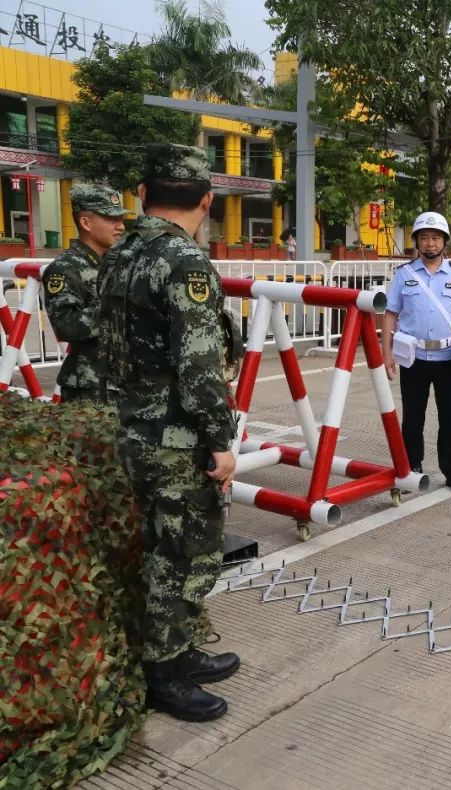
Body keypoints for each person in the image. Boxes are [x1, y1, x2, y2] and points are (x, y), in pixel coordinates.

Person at [97, 143, 238, 721]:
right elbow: (200, 366)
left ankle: (177, 654)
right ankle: (166, 674)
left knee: (158, 543)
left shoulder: (119, 252)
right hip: (175, 437)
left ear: (143, 195)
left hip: (129, 425)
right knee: (182, 552)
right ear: (205, 200)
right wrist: (221, 442)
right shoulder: (182, 261)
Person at [383, 211, 451, 494]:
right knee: (413, 416)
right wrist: (386, 355)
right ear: (416, 242)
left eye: (435, 237)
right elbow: (390, 314)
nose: (430, 243)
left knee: (450, 416)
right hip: (412, 358)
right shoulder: (404, 276)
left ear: (444, 242)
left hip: (448, 358)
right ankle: (410, 467)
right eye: (424, 237)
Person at [41, 184, 127, 403]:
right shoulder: (65, 268)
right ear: (85, 222)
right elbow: (65, 324)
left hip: (120, 383)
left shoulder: (114, 263)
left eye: (121, 219)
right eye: (111, 219)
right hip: (89, 390)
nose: (120, 226)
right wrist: (119, 308)